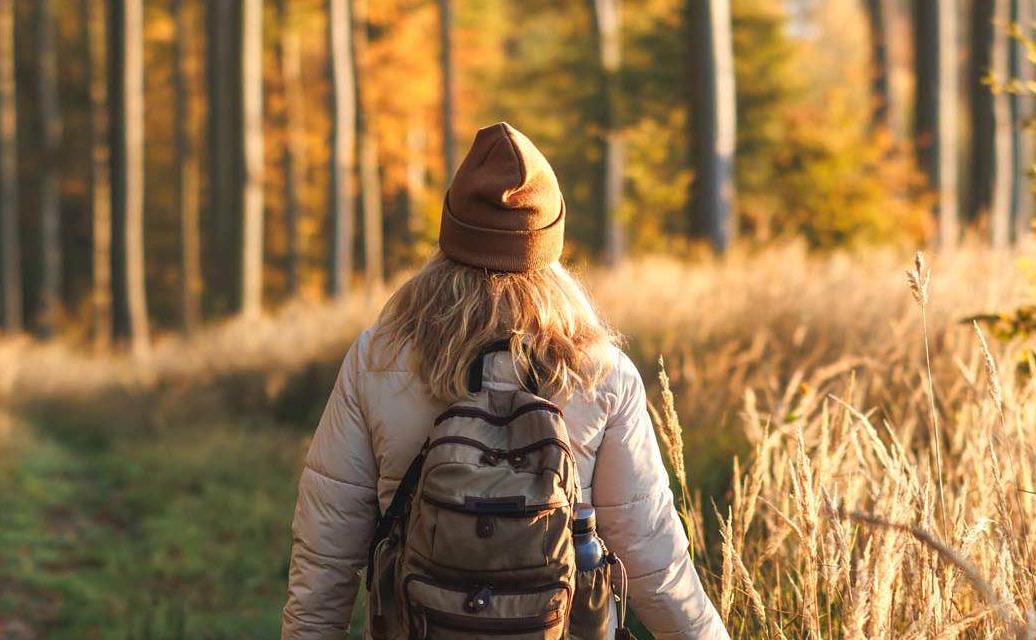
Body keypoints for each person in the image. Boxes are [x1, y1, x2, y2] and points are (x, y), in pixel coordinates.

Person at [281, 122, 727, 639]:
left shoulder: (378, 356)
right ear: (549, 243)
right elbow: (652, 559)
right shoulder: (598, 369)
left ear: (450, 231)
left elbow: (325, 551)